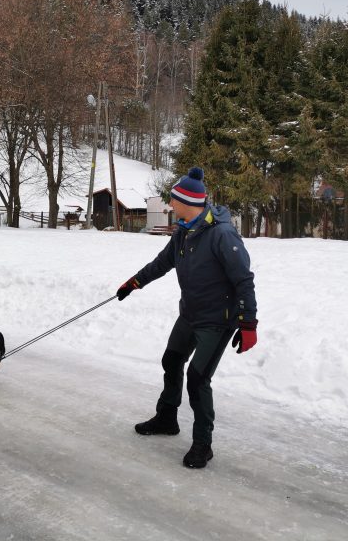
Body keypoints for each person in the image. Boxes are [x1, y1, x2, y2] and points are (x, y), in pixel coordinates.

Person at [116, 167, 257, 469]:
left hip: (218, 320)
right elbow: (162, 263)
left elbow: (244, 280)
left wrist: (248, 324)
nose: (170, 205)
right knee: (171, 360)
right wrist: (134, 282)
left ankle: (202, 444)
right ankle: (167, 418)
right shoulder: (184, 231)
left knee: (197, 378)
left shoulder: (221, 234)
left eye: (173, 200)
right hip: (190, 314)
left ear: (187, 202)